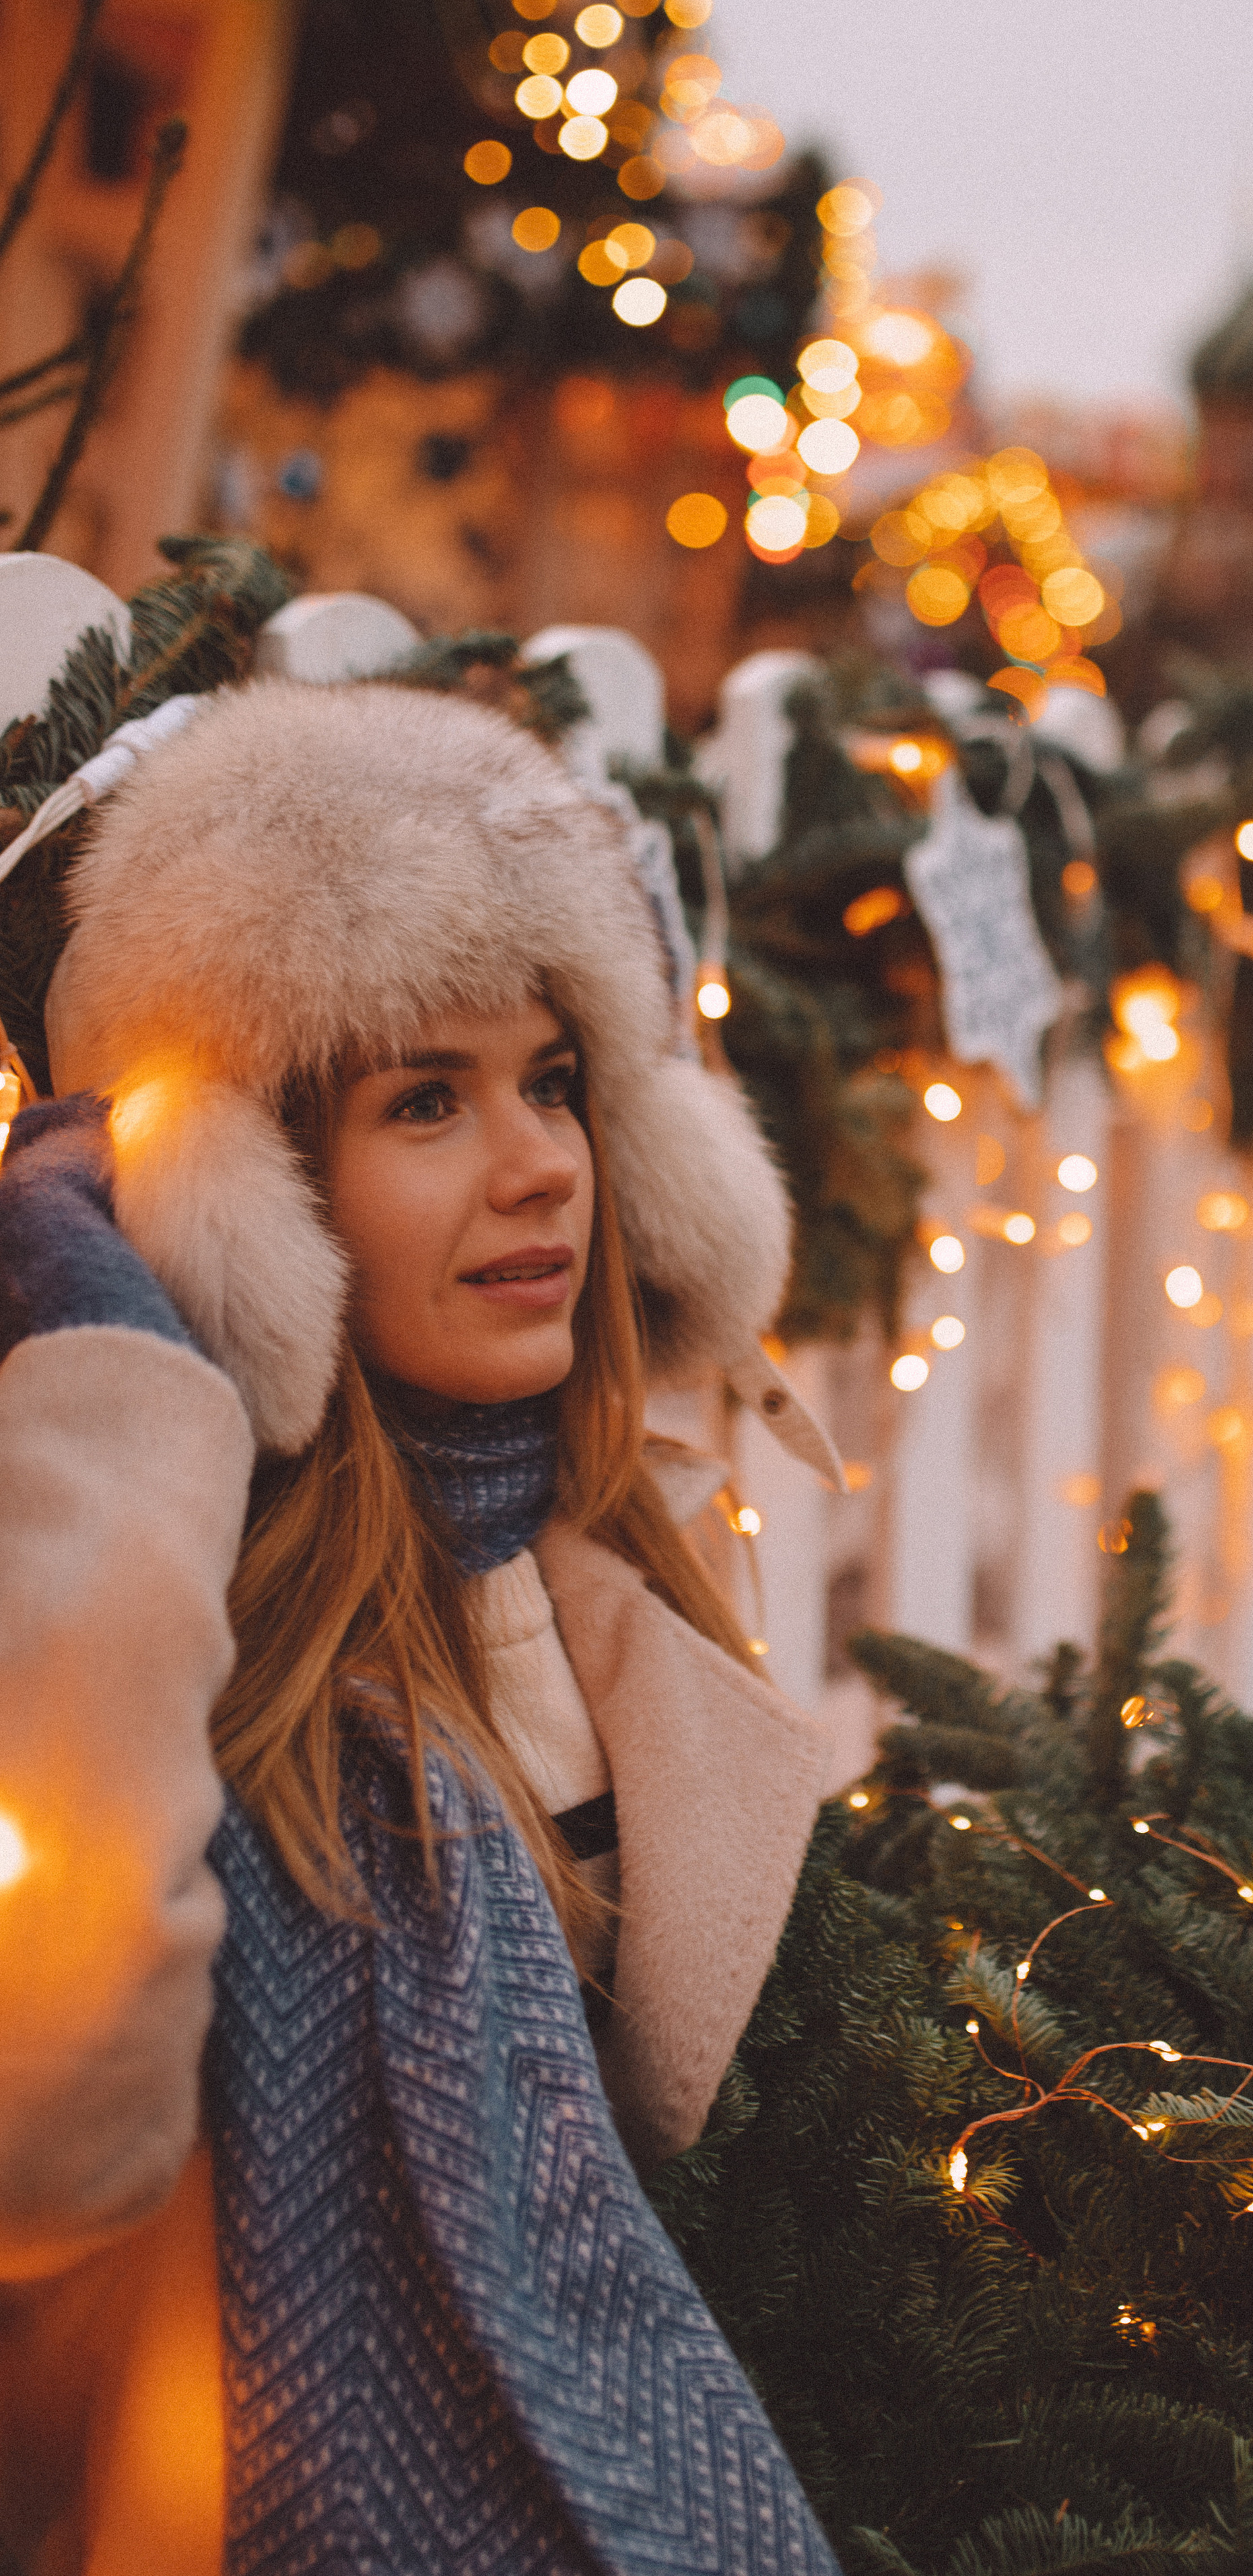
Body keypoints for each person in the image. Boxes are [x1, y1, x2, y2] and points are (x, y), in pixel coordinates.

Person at [0, 679, 840, 2576]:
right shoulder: (154, 1647)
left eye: (551, 1080)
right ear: (250, 1198)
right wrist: (116, 1385)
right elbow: (44, 2130)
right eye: (423, 1101)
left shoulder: (610, 1578)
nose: (537, 1163)